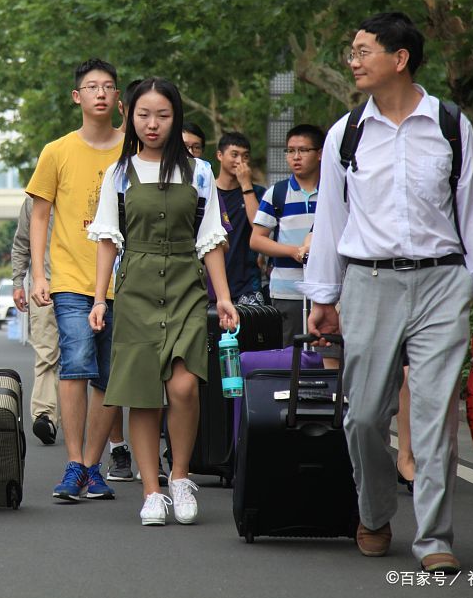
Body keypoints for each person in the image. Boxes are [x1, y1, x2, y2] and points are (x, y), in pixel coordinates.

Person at [303, 12, 473, 574]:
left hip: (443, 282)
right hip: (369, 283)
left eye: (363, 50)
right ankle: (373, 513)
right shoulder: (345, 134)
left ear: (400, 59)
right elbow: (330, 218)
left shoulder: (449, 123)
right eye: (352, 50)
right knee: (364, 417)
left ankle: (434, 538)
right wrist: (322, 296)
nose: (353, 60)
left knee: (432, 418)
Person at [88, 77, 238, 525]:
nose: (152, 124)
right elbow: (107, 241)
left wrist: (225, 298)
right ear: (130, 117)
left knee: (184, 385)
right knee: (143, 395)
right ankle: (151, 491)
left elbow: (211, 240)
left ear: (175, 118)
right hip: (134, 289)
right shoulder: (119, 173)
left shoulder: (200, 172)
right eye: (143, 115)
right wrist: (99, 298)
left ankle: (180, 476)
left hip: (185, 286)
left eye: (163, 115)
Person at [27, 58, 127, 502]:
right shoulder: (58, 150)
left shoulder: (133, 149)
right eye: (92, 87)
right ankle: (73, 463)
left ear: (118, 97)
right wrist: (37, 273)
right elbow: (40, 214)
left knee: (109, 375)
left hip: (126, 282)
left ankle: (92, 465)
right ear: (77, 97)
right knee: (75, 366)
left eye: (108, 86)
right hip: (71, 279)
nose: (100, 93)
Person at [251, 124, 326, 355]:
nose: (295, 157)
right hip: (287, 292)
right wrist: (294, 251)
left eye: (303, 150)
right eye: (290, 151)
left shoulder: (333, 190)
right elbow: (257, 240)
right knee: (290, 358)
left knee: (328, 356)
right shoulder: (277, 192)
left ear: (320, 153)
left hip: (329, 291)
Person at [11, 195, 60, 446]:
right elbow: (22, 242)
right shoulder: (33, 201)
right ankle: (45, 415)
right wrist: (18, 282)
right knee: (46, 353)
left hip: (87, 289)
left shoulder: (87, 187)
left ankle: (98, 425)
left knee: (86, 362)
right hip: (45, 288)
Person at [215, 132, 266, 306]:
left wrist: (245, 184)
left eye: (245, 156)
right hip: (210, 284)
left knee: (251, 332)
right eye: (234, 155)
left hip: (247, 285)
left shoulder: (257, 193)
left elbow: (259, 226)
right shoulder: (206, 192)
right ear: (220, 155)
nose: (240, 161)